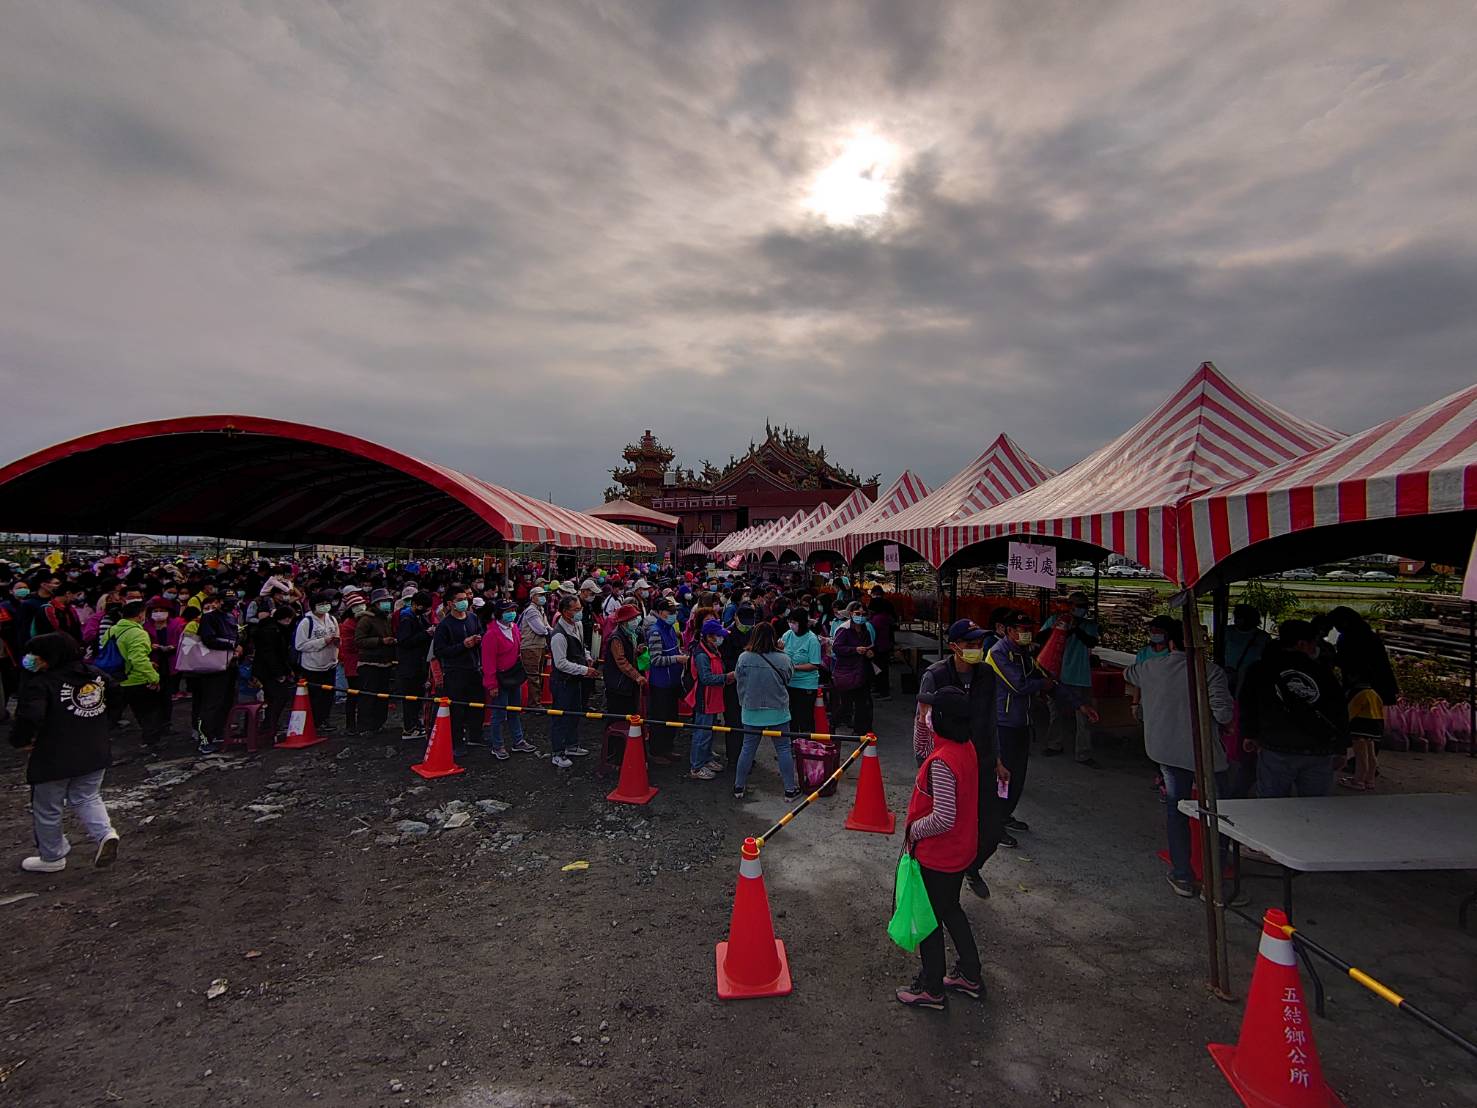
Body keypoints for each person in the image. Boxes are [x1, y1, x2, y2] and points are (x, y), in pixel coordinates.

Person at [1125, 625, 1240, 899]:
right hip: (1204, 755)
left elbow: (1128, 673)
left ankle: (1182, 875)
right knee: (1216, 814)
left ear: (1170, 643)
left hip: (1165, 751)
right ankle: (1213, 881)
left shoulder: (1150, 667)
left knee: (1176, 811)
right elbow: (1224, 714)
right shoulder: (1210, 672)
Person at [895, 686, 984, 1010]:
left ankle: (932, 988)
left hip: (939, 855)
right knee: (950, 909)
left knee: (928, 919)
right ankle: (970, 974)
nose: (927, 715)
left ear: (943, 719)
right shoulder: (963, 746)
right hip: (960, 850)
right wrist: (921, 719)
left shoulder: (944, 762)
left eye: (932, 712)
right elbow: (922, 747)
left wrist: (913, 831)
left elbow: (944, 817)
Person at [8, 633, 120, 873]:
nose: (31, 659)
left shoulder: (42, 683)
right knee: (88, 796)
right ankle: (105, 834)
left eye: (36, 655)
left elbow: (30, 716)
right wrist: (103, 724)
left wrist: (20, 741)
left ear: (49, 656)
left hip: (54, 754)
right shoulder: (95, 674)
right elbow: (116, 696)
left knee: (48, 807)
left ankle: (52, 856)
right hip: (95, 749)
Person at [919, 618, 1008, 898]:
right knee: (948, 824)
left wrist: (998, 759)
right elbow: (922, 724)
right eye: (970, 644)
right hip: (946, 765)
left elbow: (992, 719)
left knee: (991, 829)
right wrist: (926, 770)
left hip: (981, 760)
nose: (977, 649)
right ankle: (943, 885)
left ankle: (972, 866)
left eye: (980, 643)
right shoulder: (935, 676)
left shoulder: (986, 674)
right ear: (954, 646)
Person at [1239, 619, 1348, 798]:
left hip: (1275, 746)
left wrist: (1250, 734)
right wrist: (1341, 747)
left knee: (1271, 805)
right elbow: (1339, 711)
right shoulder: (1322, 671)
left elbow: (1248, 704)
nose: (1315, 648)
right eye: (1314, 643)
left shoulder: (1260, 669)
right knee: (1316, 806)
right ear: (1302, 644)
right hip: (1319, 749)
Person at [732, 622, 799, 801]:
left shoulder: (744, 658)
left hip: (751, 710)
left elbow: (739, 679)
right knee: (783, 749)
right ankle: (789, 789)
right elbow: (789, 678)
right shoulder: (783, 659)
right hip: (778, 710)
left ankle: (739, 786)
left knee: (747, 749)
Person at [1041, 592, 1100, 766]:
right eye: (1077, 606)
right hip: (1057, 674)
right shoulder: (1055, 620)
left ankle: (1083, 753)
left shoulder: (1089, 625)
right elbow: (1042, 639)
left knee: (1084, 717)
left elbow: (1091, 642)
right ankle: (1054, 744)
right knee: (1055, 713)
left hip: (1080, 675)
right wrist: (1061, 628)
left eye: (1083, 606)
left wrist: (1075, 628)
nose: (1080, 609)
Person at [99, 600, 164, 748]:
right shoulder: (138, 633)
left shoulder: (112, 630)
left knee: (111, 714)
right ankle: (150, 743)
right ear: (140, 615)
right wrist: (154, 677)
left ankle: (100, 742)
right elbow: (138, 659)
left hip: (114, 678)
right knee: (148, 714)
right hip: (136, 680)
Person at [481, 600, 536, 759]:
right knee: (498, 714)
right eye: (507, 611)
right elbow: (488, 662)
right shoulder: (491, 634)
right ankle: (497, 745)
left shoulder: (514, 628)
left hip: (513, 676)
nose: (511, 613)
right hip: (499, 678)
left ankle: (518, 740)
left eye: (513, 610)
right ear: (499, 613)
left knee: (514, 711)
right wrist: (491, 684)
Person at [432, 585, 484, 753]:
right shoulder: (444, 625)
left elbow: (481, 634)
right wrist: (463, 645)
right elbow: (440, 651)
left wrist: (479, 640)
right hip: (455, 671)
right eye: (460, 600)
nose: (464, 602)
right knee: (457, 709)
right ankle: (457, 742)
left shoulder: (473, 618)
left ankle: (476, 736)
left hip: (474, 668)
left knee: (477, 704)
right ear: (450, 603)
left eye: (465, 599)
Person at [548, 594, 596, 769]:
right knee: (560, 716)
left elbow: (582, 647)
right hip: (563, 681)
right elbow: (560, 663)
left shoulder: (578, 625)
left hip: (576, 679)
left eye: (580, 609)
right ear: (565, 612)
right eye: (576, 610)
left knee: (575, 713)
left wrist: (587, 657)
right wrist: (584, 670)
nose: (579, 612)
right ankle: (557, 752)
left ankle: (571, 745)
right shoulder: (558, 635)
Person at [645, 596, 688, 766]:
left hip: (673, 681)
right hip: (661, 683)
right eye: (670, 612)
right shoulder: (655, 632)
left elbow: (673, 650)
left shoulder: (670, 629)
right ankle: (656, 751)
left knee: (672, 717)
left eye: (675, 611)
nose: (673, 615)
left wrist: (679, 654)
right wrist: (676, 659)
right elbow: (655, 660)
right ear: (661, 613)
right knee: (659, 718)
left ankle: (668, 748)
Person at [686, 618, 731, 780]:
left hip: (713, 697)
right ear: (709, 636)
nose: (721, 638)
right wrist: (726, 677)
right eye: (718, 635)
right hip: (704, 698)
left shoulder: (712, 650)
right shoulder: (701, 654)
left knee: (709, 731)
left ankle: (706, 759)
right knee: (702, 733)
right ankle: (696, 767)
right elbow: (705, 678)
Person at [294, 593, 341, 735]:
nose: (325, 607)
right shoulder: (306, 622)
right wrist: (322, 641)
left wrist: (337, 642)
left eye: (327, 603)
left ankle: (325, 720)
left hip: (330, 663)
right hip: (312, 666)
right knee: (315, 697)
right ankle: (315, 722)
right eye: (321, 604)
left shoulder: (331, 619)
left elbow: (337, 637)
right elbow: (300, 645)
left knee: (328, 696)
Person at [354, 588, 397, 735]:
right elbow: (359, 641)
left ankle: (378, 723)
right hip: (369, 663)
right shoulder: (366, 619)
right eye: (384, 601)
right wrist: (380, 641)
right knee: (368, 697)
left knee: (382, 697)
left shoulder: (387, 618)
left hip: (385, 662)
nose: (387, 604)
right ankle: (365, 726)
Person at [252, 605, 298, 739]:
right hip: (268, 672)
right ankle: (270, 725)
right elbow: (270, 654)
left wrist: (287, 670)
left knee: (275, 698)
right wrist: (279, 673)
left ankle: (270, 724)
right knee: (279, 697)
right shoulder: (272, 631)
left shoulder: (274, 629)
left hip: (269, 670)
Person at [831, 601, 876, 735]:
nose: (860, 617)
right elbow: (837, 648)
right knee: (846, 704)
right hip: (847, 671)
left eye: (863, 614)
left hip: (862, 671)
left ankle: (860, 731)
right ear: (851, 614)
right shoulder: (844, 630)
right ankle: (832, 724)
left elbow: (871, 646)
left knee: (863, 703)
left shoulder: (866, 630)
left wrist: (869, 653)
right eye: (857, 613)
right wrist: (854, 650)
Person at [720, 604, 755, 767]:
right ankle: (733, 757)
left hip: (750, 686)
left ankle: (747, 756)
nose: (746, 626)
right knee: (733, 722)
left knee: (748, 723)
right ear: (735, 618)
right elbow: (723, 661)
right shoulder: (727, 636)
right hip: (732, 684)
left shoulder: (753, 633)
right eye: (743, 622)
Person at [394, 591, 432, 740]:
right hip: (409, 664)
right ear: (415, 604)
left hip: (418, 663)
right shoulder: (406, 618)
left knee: (417, 697)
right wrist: (426, 634)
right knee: (410, 698)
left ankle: (416, 723)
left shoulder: (419, 617)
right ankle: (409, 728)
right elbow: (404, 641)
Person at [601, 602, 647, 721]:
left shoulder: (633, 634)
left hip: (628, 683)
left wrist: (638, 652)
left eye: (635, 618)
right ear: (624, 622)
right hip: (619, 684)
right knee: (619, 717)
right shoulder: (617, 638)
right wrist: (637, 676)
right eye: (632, 619)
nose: (635, 621)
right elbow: (621, 661)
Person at [780, 608, 822, 734]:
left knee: (805, 719)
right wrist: (779, 649)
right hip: (789, 683)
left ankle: (806, 743)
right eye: (790, 622)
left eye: (794, 622)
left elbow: (814, 664)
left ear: (802, 623)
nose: (791, 625)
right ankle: (791, 743)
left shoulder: (812, 640)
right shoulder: (787, 635)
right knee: (790, 718)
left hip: (806, 685)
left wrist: (794, 667)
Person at [519, 586, 551, 699]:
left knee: (538, 675)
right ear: (532, 597)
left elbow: (547, 626)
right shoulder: (531, 611)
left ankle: (537, 701)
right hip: (530, 647)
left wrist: (551, 630)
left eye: (544, 595)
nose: (543, 597)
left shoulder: (540, 610)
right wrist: (549, 631)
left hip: (539, 646)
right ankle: (534, 703)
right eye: (540, 595)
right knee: (533, 677)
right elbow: (541, 630)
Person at [867, 586, 897, 701]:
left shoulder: (878, 619)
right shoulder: (883, 616)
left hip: (880, 647)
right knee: (882, 669)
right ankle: (880, 689)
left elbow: (872, 632)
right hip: (884, 645)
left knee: (881, 670)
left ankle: (884, 692)